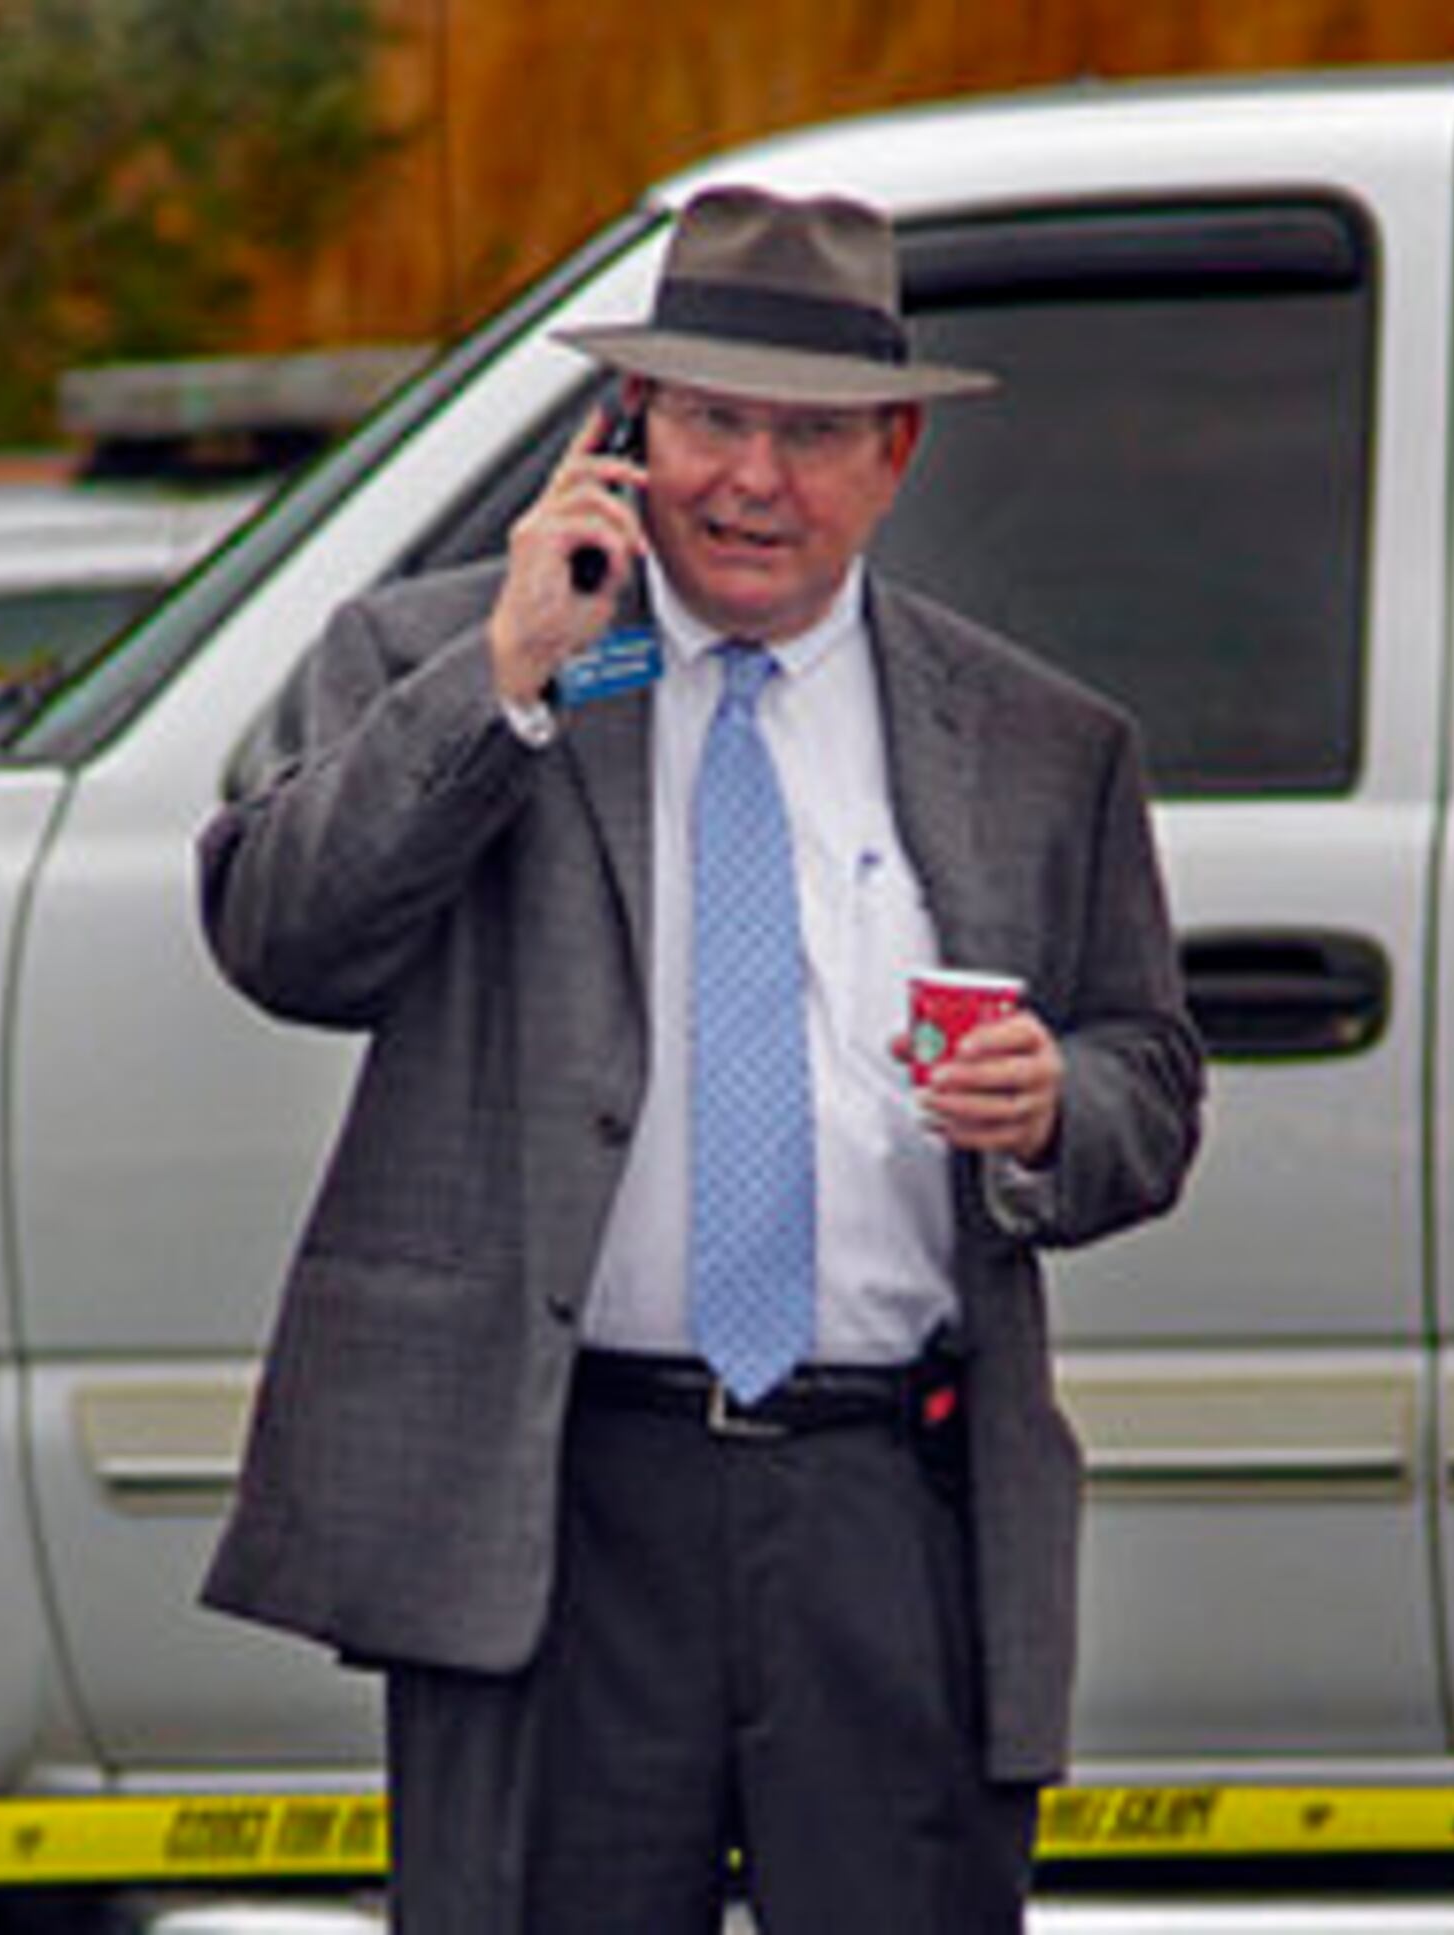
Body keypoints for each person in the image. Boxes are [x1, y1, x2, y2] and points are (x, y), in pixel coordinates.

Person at [197, 185, 1204, 1931]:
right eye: (714, 420)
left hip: (891, 1499)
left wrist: (1056, 1106)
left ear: (894, 456)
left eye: (810, 435)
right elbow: (281, 934)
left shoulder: (1040, 743)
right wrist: (508, 677)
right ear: (626, 430)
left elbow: (1153, 1078)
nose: (753, 480)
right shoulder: (444, 659)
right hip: (560, 1497)